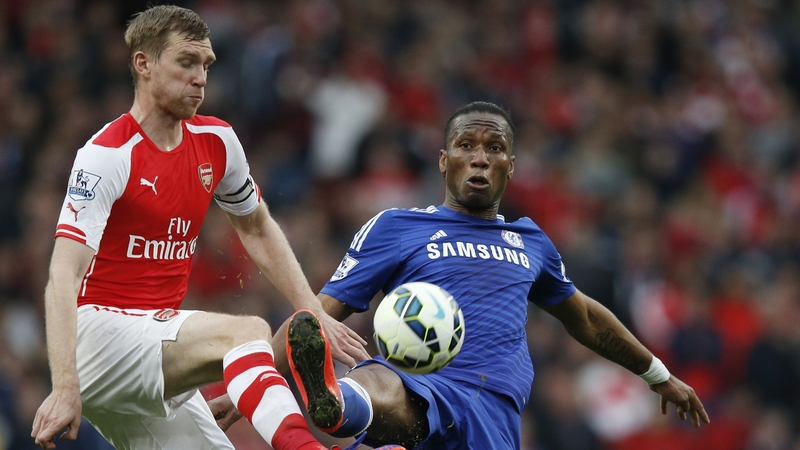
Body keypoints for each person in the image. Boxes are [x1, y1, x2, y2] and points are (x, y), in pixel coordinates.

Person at [29, 5, 374, 450]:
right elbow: (63, 276)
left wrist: (312, 307)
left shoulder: (217, 141)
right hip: (98, 340)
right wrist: (63, 386)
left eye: (206, 65)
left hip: (156, 352)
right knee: (247, 330)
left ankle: (252, 373)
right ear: (144, 64)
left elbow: (255, 226)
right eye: (186, 62)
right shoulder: (107, 154)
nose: (201, 78)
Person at [276, 101, 711, 449]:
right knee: (380, 381)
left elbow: (586, 318)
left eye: (494, 148)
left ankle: (348, 406)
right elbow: (313, 316)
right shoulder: (397, 227)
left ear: (511, 165)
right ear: (444, 161)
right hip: (421, 383)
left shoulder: (530, 241)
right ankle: (337, 400)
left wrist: (657, 374)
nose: (480, 158)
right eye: (466, 145)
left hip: (493, 407)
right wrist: (257, 377)